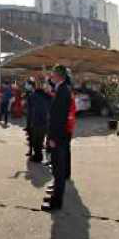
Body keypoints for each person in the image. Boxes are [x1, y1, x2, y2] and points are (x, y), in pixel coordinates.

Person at [43, 64, 71, 212]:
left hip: (58, 137)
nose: (51, 76)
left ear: (59, 75)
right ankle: (55, 197)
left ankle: (56, 202)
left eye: (53, 74)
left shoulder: (63, 91)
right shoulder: (61, 88)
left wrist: (53, 138)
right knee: (56, 168)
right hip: (58, 136)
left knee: (58, 171)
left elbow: (59, 118)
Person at [28, 80, 51, 163]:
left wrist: (29, 123)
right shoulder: (48, 96)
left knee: (36, 141)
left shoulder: (32, 96)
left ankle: (38, 157)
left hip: (36, 121)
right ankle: (41, 156)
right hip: (46, 121)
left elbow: (30, 111)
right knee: (42, 140)